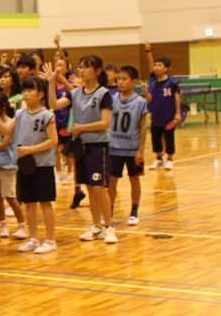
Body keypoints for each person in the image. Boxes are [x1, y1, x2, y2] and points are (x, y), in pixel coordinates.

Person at [48, 56, 116, 244]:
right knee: (89, 187)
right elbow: (54, 105)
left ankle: (109, 226)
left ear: (97, 71)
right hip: (81, 146)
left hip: (98, 145)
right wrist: (51, 81)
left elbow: (105, 123)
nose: (82, 70)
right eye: (80, 67)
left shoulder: (104, 94)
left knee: (98, 187)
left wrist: (81, 128)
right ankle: (96, 227)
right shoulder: (76, 93)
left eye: (86, 67)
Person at [4, 77, 58, 254]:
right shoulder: (20, 114)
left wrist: (30, 150)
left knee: (45, 203)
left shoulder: (47, 115)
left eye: (30, 90)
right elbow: (5, 131)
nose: (25, 94)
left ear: (41, 94)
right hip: (25, 165)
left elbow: (53, 140)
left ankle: (50, 240)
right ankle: (33, 238)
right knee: (29, 203)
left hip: (43, 165)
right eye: (24, 90)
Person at [108, 65, 148, 226]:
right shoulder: (112, 99)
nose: (120, 82)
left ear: (134, 82)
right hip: (114, 147)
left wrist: (141, 150)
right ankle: (108, 211)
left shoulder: (140, 102)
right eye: (118, 79)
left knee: (134, 179)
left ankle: (134, 211)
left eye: (124, 79)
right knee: (111, 181)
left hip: (132, 148)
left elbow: (143, 127)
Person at [0, 92, 27, 241]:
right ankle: (3, 224)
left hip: (8, 164)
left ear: (2, 106)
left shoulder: (10, 122)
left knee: (10, 197)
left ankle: (22, 225)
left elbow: (4, 144)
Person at [144, 44, 181, 171]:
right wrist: (148, 51)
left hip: (169, 116)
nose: (155, 67)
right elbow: (149, 63)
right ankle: (158, 158)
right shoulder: (153, 81)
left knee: (169, 138)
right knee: (156, 138)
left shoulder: (172, 83)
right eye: (155, 65)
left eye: (159, 65)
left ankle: (169, 159)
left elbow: (177, 97)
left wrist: (177, 113)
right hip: (156, 116)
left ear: (166, 69)